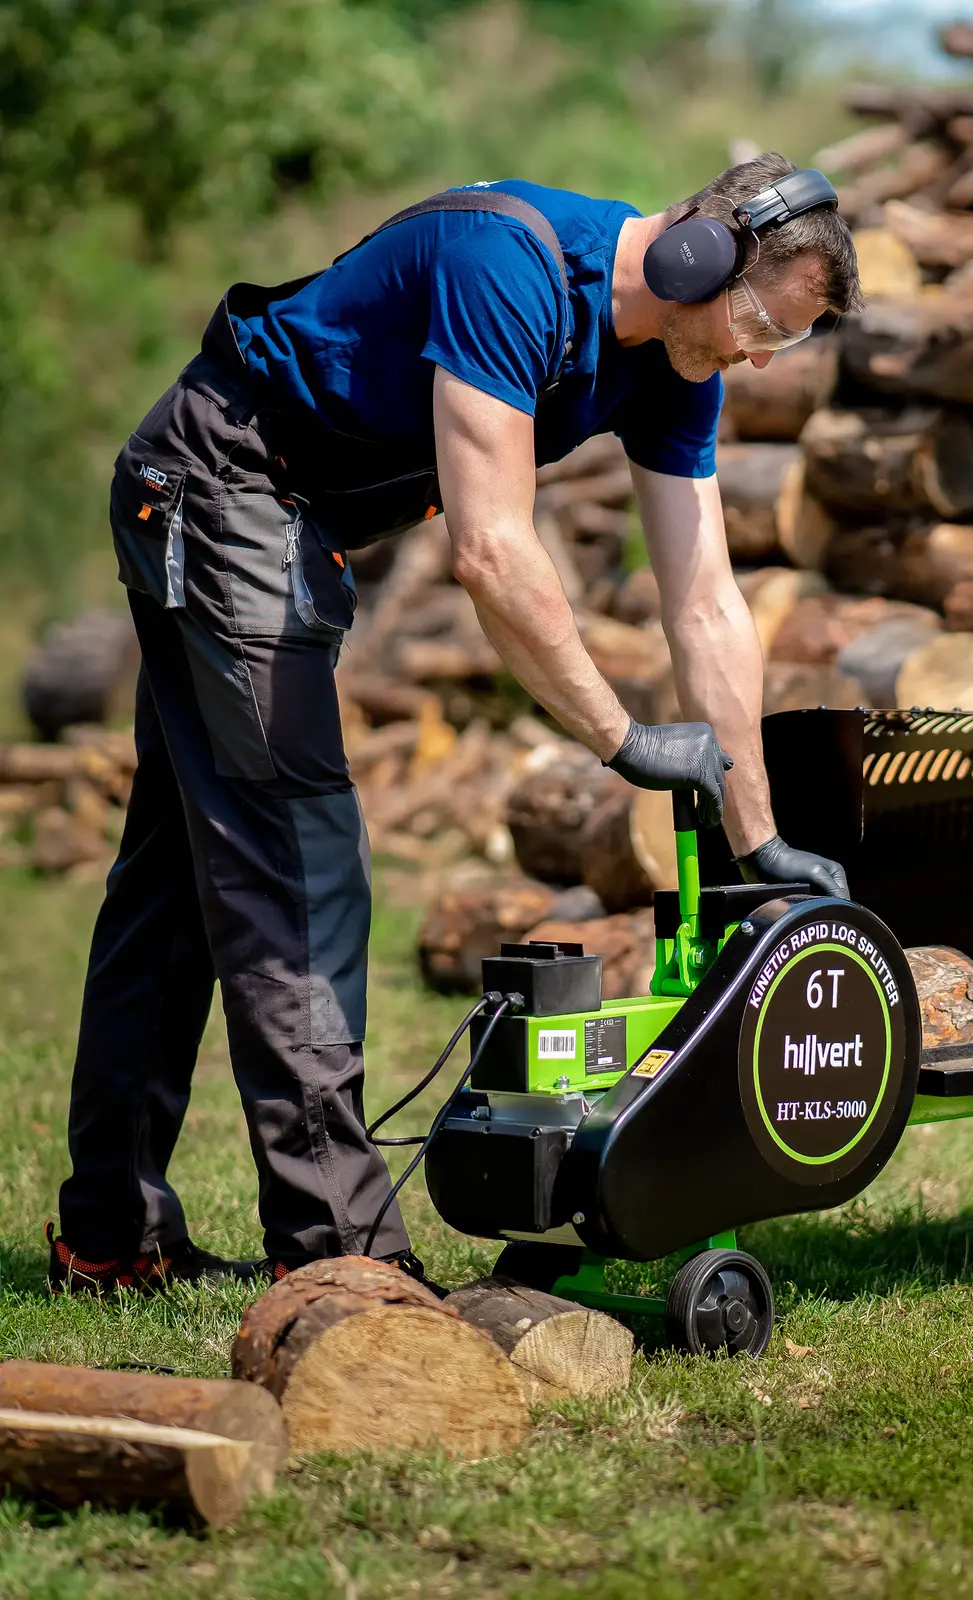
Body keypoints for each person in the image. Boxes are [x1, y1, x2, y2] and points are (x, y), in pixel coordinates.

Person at [49, 153, 860, 1294]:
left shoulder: (677, 364)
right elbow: (490, 548)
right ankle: (344, 1258)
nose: (759, 356)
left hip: (281, 514)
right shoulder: (508, 267)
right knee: (297, 859)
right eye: (764, 323)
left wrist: (755, 830)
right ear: (701, 251)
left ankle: (108, 1238)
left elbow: (706, 598)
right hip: (219, 481)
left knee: (181, 881)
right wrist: (621, 738)